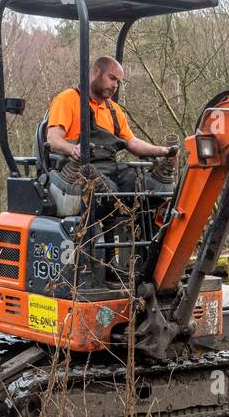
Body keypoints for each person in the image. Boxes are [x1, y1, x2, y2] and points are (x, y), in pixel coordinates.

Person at [45, 57, 176, 275]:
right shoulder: (68, 100)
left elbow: (132, 142)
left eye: (119, 82)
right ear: (96, 71)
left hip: (109, 167)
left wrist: (162, 151)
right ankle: (104, 264)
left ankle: (145, 261)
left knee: (148, 187)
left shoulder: (113, 110)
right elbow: (53, 138)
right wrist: (73, 149)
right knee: (109, 192)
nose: (115, 85)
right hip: (75, 172)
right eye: (112, 78)